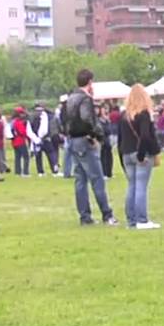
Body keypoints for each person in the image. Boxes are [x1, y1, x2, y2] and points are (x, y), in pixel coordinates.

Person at [64, 69, 118, 226]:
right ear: (89, 82)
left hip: (73, 140)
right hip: (85, 140)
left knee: (80, 180)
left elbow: (65, 120)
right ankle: (107, 214)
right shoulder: (85, 99)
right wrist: (97, 135)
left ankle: (85, 216)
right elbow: (87, 118)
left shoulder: (69, 99)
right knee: (97, 179)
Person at [119, 84, 161, 229]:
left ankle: (131, 219)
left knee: (132, 186)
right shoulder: (143, 114)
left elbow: (121, 138)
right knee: (141, 187)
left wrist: (122, 157)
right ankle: (142, 220)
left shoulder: (124, 116)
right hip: (140, 153)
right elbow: (145, 135)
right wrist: (142, 155)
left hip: (127, 153)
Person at [10, 107, 31, 177]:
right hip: (20, 141)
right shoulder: (18, 122)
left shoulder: (13, 121)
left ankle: (17, 172)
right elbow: (22, 132)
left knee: (17, 157)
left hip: (14, 141)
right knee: (26, 156)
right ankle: (25, 172)